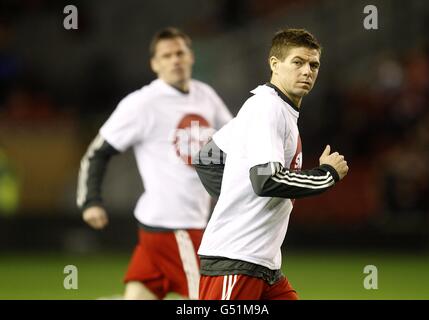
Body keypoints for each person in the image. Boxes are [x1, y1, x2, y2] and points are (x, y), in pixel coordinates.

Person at [76, 27, 232, 300]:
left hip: (181, 222)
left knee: (138, 297)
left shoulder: (205, 95)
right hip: (174, 225)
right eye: (167, 55)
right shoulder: (142, 103)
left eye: (180, 53)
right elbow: (97, 152)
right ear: (154, 64)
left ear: (191, 56)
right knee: (210, 299)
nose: (175, 60)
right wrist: (91, 200)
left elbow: (234, 139)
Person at [193, 28, 349, 300]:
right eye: (297, 62)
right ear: (274, 65)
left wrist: (241, 199)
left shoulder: (274, 109)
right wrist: (327, 174)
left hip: (264, 264)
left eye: (314, 65)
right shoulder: (268, 108)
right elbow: (267, 179)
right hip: (236, 258)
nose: (307, 71)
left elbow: (207, 159)